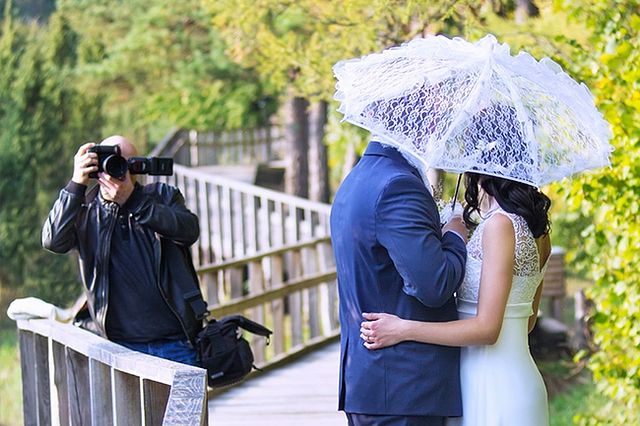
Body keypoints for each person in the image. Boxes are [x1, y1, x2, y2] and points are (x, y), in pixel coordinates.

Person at [360, 172, 552, 426]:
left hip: (490, 387)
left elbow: (487, 329)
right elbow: (525, 323)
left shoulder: (499, 226)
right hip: (516, 380)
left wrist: (402, 329)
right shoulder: (539, 234)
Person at [330, 140, 469, 426]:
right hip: (404, 388)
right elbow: (435, 285)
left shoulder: (358, 177)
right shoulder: (398, 186)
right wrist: (455, 237)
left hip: (375, 382)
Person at [42, 135, 206, 365]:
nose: (116, 170)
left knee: (185, 401)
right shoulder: (85, 210)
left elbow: (189, 231)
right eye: (109, 161)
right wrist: (75, 184)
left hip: (175, 344)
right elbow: (53, 241)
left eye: (125, 163)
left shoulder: (162, 197)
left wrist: (134, 201)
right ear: (95, 166)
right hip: (116, 349)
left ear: (137, 167)